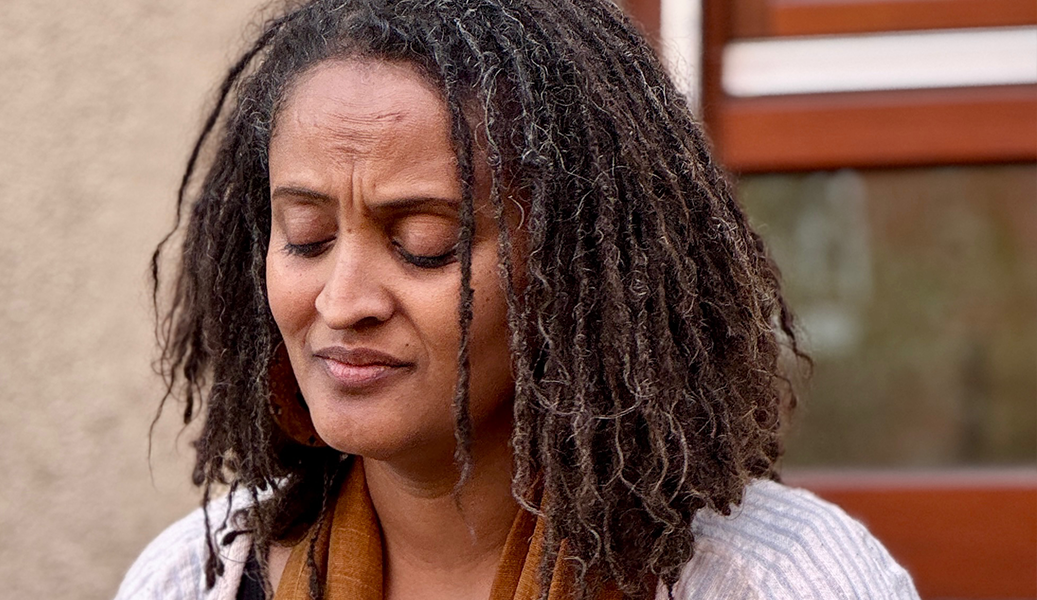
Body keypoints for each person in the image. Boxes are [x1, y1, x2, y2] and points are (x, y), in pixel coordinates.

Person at [118, 1, 918, 599]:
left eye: (424, 242)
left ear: (576, 266)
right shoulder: (198, 578)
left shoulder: (775, 582)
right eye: (306, 236)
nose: (344, 300)